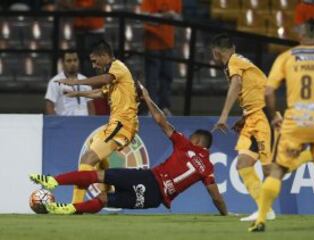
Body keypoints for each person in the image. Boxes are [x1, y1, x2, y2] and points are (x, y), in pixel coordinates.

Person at [29, 84, 228, 216]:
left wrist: (148, 98)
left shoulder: (186, 144)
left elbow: (160, 120)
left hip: (148, 178)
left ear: (197, 140)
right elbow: (216, 197)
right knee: (104, 198)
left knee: (99, 175)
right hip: (153, 199)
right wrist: (226, 214)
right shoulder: (208, 168)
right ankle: (68, 209)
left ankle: (54, 181)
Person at [249, 19, 314, 233]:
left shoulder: (286, 57)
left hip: (294, 125)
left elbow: (268, 91)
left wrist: (273, 117)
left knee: (277, 170)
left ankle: (261, 220)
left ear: (300, 34)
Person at [55, 40, 139, 204]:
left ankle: (76, 205)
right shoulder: (114, 76)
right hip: (115, 124)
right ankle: (108, 193)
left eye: (95, 61)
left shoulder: (117, 67)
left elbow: (103, 79)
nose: (93, 65)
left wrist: (77, 82)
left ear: (104, 56)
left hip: (123, 125)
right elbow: (101, 93)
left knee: (88, 159)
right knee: (93, 145)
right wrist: (77, 94)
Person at [211, 34, 275, 222]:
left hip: (262, 116)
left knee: (268, 169)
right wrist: (243, 116)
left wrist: (224, 116)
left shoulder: (234, 62)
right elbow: (253, 89)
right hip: (252, 117)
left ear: (216, 52)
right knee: (243, 164)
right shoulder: (239, 60)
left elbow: (237, 84)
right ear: (233, 47)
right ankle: (265, 210)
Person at [140, 0, 182, 115]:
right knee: (152, 78)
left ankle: (164, 106)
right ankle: (152, 108)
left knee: (167, 76)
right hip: (152, 42)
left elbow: (179, 18)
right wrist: (165, 16)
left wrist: (173, 16)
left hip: (168, 42)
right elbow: (144, 16)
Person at [45, 50, 95, 116]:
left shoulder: (85, 80)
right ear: (63, 63)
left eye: (75, 60)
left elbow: (90, 105)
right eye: (69, 61)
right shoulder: (55, 81)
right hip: (64, 123)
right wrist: (55, 124)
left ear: (78, 61)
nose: (73, 63)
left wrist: (92, 123)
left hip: (84, 123)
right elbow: (49, 105)